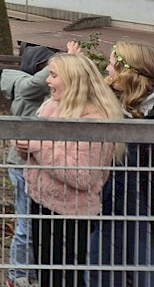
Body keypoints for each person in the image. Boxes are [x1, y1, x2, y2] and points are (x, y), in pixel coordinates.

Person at [17, 52, 122, 287]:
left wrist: (37, 146)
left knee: (68, 277)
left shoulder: (95, 120)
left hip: (72, 214)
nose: (47, 80)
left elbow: (83, 175)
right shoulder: (50, 107)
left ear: (72, 80)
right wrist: (24, 147)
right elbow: (35, 152)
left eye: (54, 75)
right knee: (46, 273)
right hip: (41, 203)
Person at [89, 40, 154, 287]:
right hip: (113, 201)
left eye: (111, 64)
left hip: (143, 203)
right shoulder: (110, 103)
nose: (107, 69)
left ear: (127, 71)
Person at [1, 43, 59, 287]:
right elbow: (35, 83)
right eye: (50, 70)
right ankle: (17, 275)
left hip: (38, 164)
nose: (52, 77)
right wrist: (63, 60)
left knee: (36, 224)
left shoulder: (40, 91)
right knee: (26, 223)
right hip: (21, 165)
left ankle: (32, 273)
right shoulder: (24, 86)